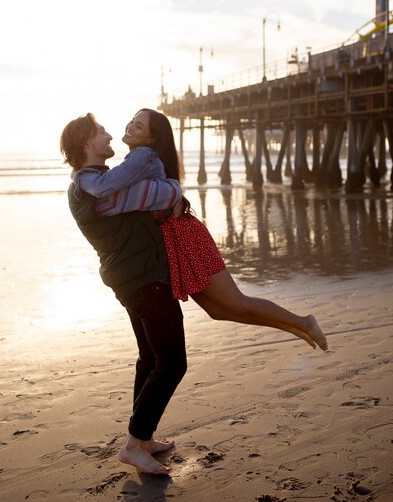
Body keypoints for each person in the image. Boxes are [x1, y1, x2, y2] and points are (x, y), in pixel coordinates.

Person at [76, 108, 328, 352]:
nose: (130, 125)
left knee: (235, 303)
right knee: (218, 311)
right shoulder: (141, 159)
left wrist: (80, 176)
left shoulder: (141, 156)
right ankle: (293, 326)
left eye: (139, 125)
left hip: (184, 237)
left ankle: (303, 322)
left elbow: (106, 189)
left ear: (152, 138)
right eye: (132, 120)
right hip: (173, 239)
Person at [60, 113, 187, 476]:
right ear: (85, 143)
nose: (110, 134)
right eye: (101, 132)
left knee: (149, 359)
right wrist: (175, 191)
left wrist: (169, 193)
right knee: (172, 363)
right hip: (143, 279)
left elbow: (151, 197)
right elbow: (156, 194)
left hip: (131, 279)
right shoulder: (94, 187)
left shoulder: (93, 182)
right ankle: (134, 443)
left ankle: (143, 440)